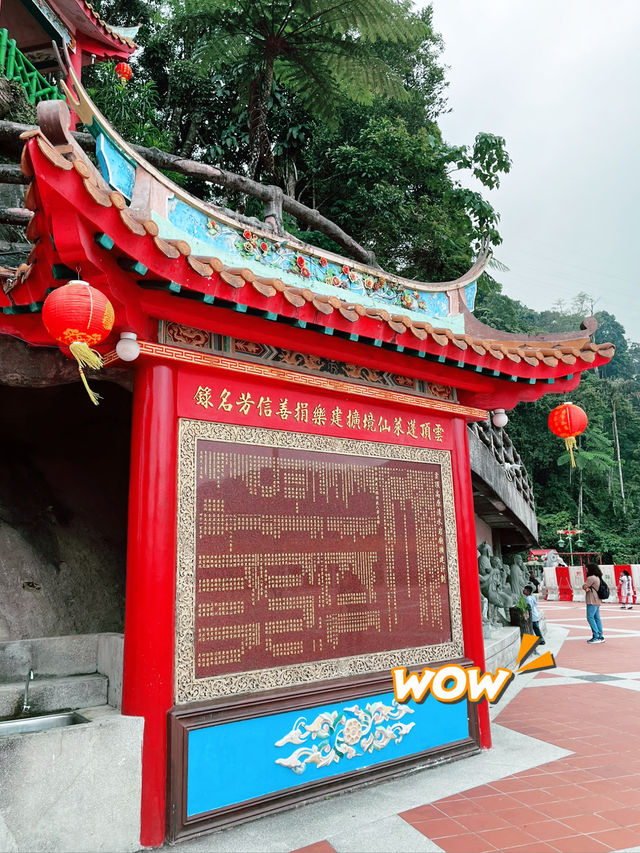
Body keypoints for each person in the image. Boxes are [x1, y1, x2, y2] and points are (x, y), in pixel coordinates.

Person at [582, 563, 605, 643]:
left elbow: (584, 586)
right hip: (597, 600)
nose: (586, 570)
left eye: (587, 568)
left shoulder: (591, 578)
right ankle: (600, 635)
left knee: (590, 617)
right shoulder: (597, 577)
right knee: (597, 618)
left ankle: (596, 636)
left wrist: (585, 587)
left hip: (592, 600)